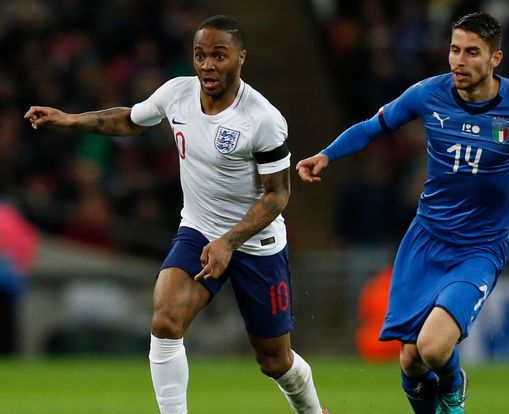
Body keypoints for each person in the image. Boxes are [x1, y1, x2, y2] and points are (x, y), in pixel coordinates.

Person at [25, 15, 328, 414]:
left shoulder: (263, 120)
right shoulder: (176, 94)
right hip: (199, 229)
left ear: (241, 58)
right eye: (200, 55)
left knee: (274, 361)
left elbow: (277, 195)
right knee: (166, 319)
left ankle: (312, 411)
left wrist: (230, 242)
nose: (207, 65)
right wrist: (70, 120)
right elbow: (130, 120)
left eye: (219, 56)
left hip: (256, 243)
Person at [297, 11, 509, 414]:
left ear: (495, 59)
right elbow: (373, 126)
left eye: (471, 52)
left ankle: (454, 383)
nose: (459, 61)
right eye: (454, 49)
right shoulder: (428, 94)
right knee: (410, 361)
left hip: (479, 249)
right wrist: (328, 154)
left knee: (432, 348)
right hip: (426, 241)